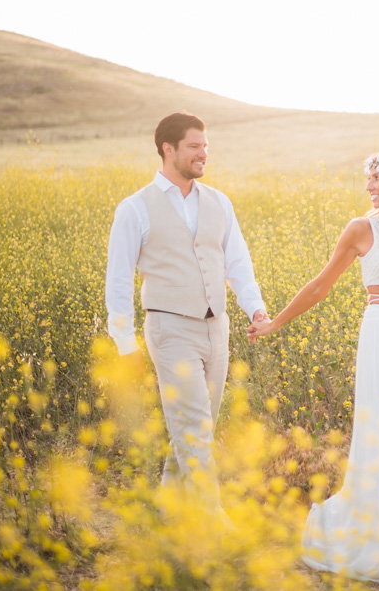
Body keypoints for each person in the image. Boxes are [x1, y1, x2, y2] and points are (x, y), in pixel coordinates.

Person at [248, 147, 379, 584]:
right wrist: (277, 324)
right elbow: (321, 285)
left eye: (374, 179)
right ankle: (369, 541)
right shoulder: (361, 229)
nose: (368, 187)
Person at [105, 111, 270, 517]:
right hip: (170, 328)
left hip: (218, 328)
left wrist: (256, 307)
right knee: (194, 429)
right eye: (195, 146)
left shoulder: (219, 202)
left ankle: (167, 512)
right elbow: (119, 280)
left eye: (206, 146)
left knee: (195, 428)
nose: (203, 154)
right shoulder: (135, 209)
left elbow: (237, 263)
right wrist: (125, 343)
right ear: (168, 149)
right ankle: (211, 526)